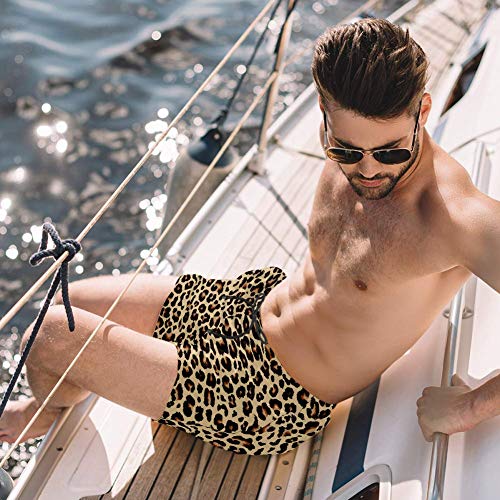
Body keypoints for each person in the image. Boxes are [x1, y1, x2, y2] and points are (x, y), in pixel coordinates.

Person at [1, 18, 499, 455]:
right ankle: (61, 401)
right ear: (324, 112)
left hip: (270, 396)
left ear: (424, 111)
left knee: (48, 338)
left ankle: (42, 413)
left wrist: (469, 408)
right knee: (63, 303)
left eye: (390, 152)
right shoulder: (348, 147)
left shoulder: (453, 218)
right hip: (247, 305)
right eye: (346, 151)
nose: (367, 170)